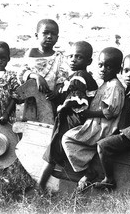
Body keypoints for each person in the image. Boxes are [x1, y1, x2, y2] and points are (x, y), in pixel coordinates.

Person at [61, 47, 125, 193]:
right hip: (96, 122)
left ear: (117, 69)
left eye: (108, 67)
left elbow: (111, 111)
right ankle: (89, 166)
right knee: (71, 134)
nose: (103, 69)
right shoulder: (105, 83)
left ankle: (88, 171)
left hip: (104, 126)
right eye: (101, 65)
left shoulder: (115, 86)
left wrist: (89, 113)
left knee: (68, 139)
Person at [37, 41, 98, 190]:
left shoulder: (79, 75)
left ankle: (41, 186)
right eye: (70, 56)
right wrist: (57, 94)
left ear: (88, 61)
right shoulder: (77, 77)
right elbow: (69, 92)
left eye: (79, 57)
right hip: (74, 117)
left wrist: (61, 104)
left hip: (72, 118)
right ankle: (42, 184)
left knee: (54, 150)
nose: (73, 59)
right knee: (55, 150)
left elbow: (75, 98)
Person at [94, 53, 130, 190]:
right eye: (126, 71)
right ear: (121, 71)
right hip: (126, 132)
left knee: (103, 146)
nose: (129, 75)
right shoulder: (129, 88)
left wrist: (128, 134)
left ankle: (109, 179)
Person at [18, 19, 69, 122]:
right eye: (45, 33)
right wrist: (36, 76)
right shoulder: (30, 53)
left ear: (57, 38)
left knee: (48, 125)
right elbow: (22, 72)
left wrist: (57, 90)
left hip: (49, 98)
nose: (49, 36)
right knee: (31, 125)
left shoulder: (58, 57)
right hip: (32, 100)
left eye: (53, 34)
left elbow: (62, 76)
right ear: (37, 35)